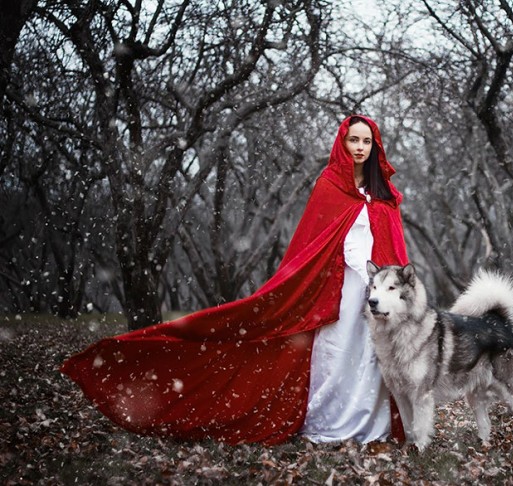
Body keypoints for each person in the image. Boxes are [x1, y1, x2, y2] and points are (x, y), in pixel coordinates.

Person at [60, 115, 409, 445]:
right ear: (342, 143)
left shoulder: (385, 196)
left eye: (366, 141)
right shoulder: (329, 186)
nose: (360, 147)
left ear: (375, 147)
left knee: (370, 352)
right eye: (354, 140)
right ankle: (331, 423)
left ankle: (370, 426)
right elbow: (311, 245)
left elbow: (394, 249)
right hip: (334, 291)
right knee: (335, 350)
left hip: (375, 290)